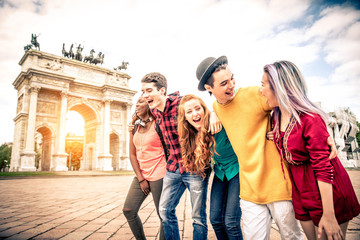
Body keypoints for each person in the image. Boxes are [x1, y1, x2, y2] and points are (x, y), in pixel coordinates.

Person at [196, 55, 304, 240]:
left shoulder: (255, 94)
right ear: (209, 88)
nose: (231, 85)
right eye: (223, 83)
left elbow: (293, 103)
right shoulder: (216, 106)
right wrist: (213, 112)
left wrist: (283, 132)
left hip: (277, 182)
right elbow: (220, 107)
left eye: (232, 78)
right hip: (248, 189)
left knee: (291, 236)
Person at [260, 60, 360, 240]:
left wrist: (329, 215)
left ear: (279, 87)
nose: (260, 90)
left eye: (263, 85)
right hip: (300, 188)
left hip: (326, 188)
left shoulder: (310, 118)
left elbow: (323, 166)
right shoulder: (276, 116)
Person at [141, 73, 212, 240]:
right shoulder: (155, 111)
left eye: (149, 90)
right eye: (143, 91)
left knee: (198, 217)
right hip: (173, 168)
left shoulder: (181, 104)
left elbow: (200, 111)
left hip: (194, 168)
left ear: (162, 90)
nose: (145, 95)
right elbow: (144, 117)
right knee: (164, 210)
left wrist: (214, 113)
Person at [178, 94, 243, 240]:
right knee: (216, 220)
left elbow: (234, 112)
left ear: (204, 109)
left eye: (197, 108)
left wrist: (215, 112)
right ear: (185, 118)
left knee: (231, 222)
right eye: (189, 112)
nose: (195, 114)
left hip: (237, 170)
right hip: (220, 173)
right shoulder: (193, 134)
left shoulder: (217, 121)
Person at [123, 96, 167, 240]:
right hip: (142, 174)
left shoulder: (159, 124)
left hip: (160, 172)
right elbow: (132, 154)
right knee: (128, 210)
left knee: (163, 214)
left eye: (141, 102)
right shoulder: (134, 126)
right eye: (136, 102)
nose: (137, 104)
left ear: (149, 105)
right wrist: (141, 179)